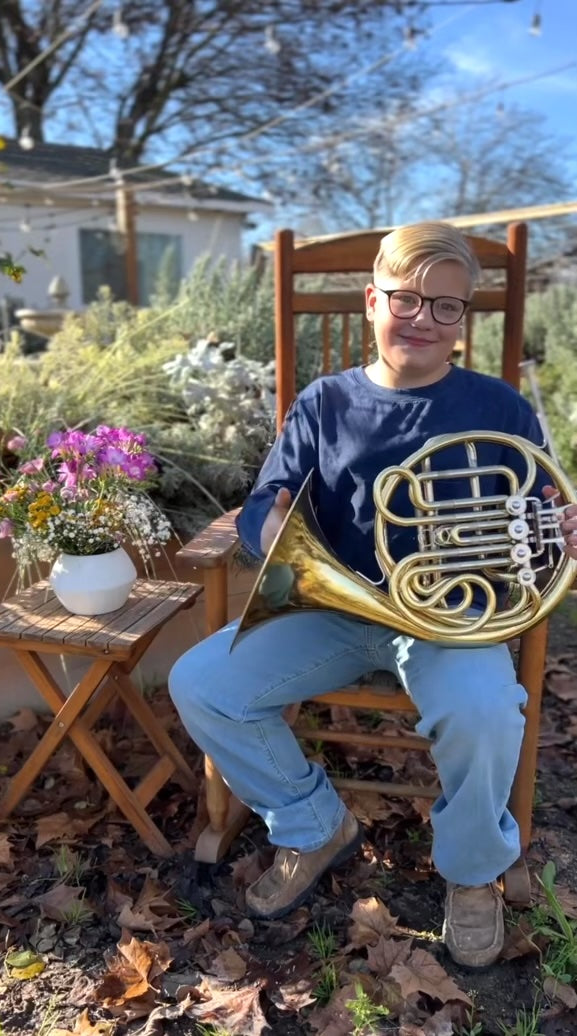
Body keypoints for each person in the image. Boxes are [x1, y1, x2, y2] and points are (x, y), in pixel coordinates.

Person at [169, 221, 577, 969]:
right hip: (332, 608)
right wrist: (272, 521)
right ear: (369, 300)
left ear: (463, 321)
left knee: (484, 709)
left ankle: (471, 871)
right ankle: (310, 823)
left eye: (445, 306)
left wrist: (558, 530)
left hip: (452, 615)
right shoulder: (323, 404)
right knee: (200, 682)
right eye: (404, 298)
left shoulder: (500, 408)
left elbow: (538, 515)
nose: (421, 317)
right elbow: (265, 505)